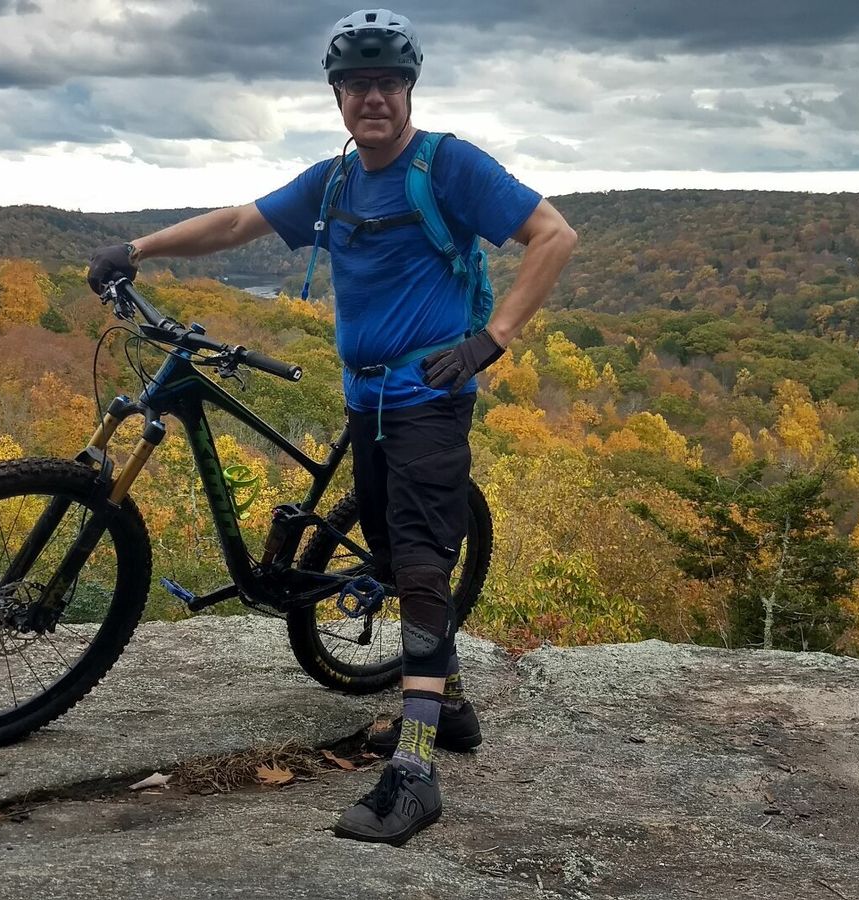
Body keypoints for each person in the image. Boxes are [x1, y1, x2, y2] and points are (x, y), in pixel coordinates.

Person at [87, 8, 575, 846]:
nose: (372, 98)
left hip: (429, 398)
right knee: (388, 555)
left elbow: (553, 235)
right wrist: (139, 248)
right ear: (338, 96)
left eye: (387, 83)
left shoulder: (447, 165)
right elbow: (237, 223)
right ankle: (452, 708)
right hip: (365, 398)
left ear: (409, 90)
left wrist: (491, 341)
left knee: (419, 565)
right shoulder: (335, 180)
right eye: (356, 85)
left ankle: (415, 773)